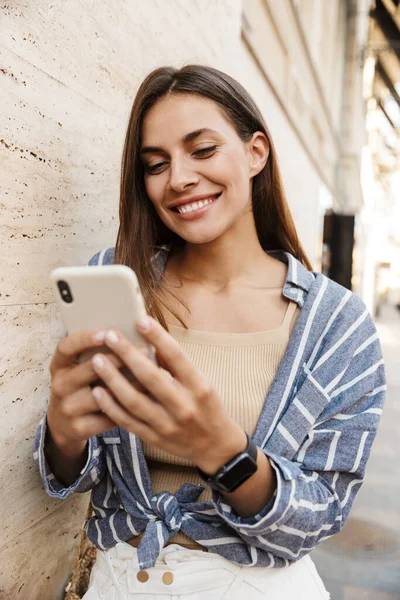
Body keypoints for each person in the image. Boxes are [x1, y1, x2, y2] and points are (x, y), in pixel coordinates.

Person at [34, 65, 386, 600]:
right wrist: (64, 433)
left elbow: (320, 514)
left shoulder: (337, 325)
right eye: (156, 164)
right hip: (121, 585)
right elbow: (73, 479)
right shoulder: (116, 278)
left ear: (255, 153)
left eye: (202, 151)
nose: (178, 178)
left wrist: (221, 448)